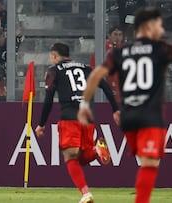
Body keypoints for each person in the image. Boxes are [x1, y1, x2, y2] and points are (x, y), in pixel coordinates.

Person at [77, 7, 172, 203]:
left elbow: (96, 75)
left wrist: (84, 106)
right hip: (149, 114)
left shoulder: (120, 52)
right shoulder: (160, 49)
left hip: (129, 116)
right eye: (157, 24)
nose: (161, 28)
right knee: (150, 165)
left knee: (146, 161)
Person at [35, 43, 120, 203]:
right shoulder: (86, 68)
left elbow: (49, 98)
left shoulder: (53, 71)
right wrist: (115, 109)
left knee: (70, 157)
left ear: (54, 56)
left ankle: (85, 193)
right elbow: (106, 87)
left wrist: (41, 123)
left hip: (70, 116)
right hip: (88, 117)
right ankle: (96, 149)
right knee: (82, 158)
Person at [90, 26, 125, 104]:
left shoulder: (125, 49)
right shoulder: (102, 49)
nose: (118, 37)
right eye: (115, 34)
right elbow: (93, 67)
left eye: (120, 35)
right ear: (109, 36)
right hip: (107, 84)